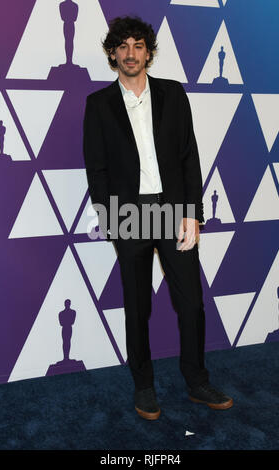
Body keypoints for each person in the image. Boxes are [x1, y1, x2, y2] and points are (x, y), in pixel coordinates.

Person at [83, 15, 233, 420]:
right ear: (112, 53)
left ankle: (197, 380)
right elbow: (95, 168)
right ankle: (144, 386)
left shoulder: (173, 94)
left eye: (138, 45)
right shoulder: (98, 104)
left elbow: (189, 156)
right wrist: (111, 219)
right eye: (123, 46)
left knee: (192, 303)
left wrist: (193, 214)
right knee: (137, 306)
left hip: (173, 210)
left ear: (148, 52)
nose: (131, 53)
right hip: (129, 214)